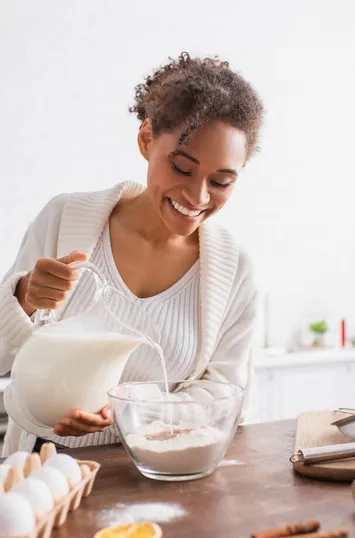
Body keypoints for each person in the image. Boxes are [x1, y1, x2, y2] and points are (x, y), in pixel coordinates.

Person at [0, 52, 264, 455]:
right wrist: (24, 298)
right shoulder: (64, 219)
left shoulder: (234, 270)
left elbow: (225, 395)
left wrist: (130, 412)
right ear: (146, 140)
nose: (197, 196)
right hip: (44, 465)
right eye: (181, 167)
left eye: (222, 181)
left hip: (158, 474)